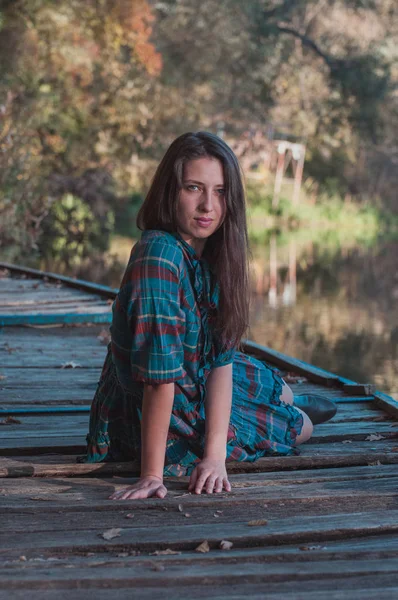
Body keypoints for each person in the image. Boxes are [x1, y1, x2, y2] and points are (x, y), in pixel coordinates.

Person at [81, 131, 336, 500]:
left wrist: (216, 457)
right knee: (304, 429)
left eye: (219, 191)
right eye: (194, 188)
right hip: (155, 413)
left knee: (282, 388)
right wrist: (152, 475)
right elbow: (157, 380)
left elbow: (220, 359)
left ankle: (282, 400)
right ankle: (288, 412)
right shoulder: (159, 258)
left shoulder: (212, 252)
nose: (208, 206)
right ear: (170, 191)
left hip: (193, 373)